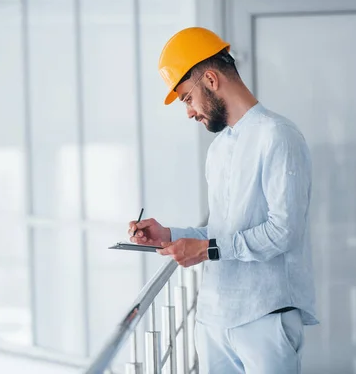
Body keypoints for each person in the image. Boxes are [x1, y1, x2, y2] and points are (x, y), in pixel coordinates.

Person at [128, 27, 318, 374]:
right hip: (213, 318)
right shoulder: (218, 149)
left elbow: (283, 232)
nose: (189, 112)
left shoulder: (279, 136)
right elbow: (222, 232)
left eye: (187, 98)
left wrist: (205, 250)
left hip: (264, 318)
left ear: (211, 80)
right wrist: (170, 234)